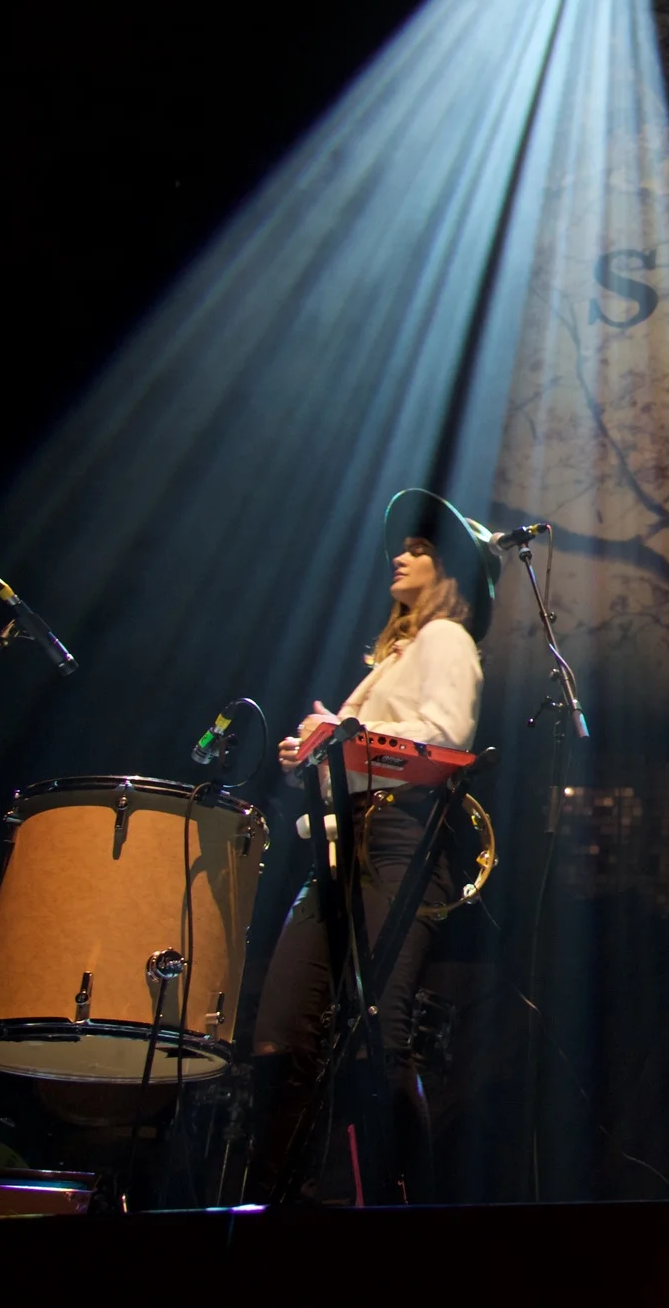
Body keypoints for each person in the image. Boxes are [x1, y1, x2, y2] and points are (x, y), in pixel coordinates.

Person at [251, 488, 498, 1201]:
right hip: (341, 843)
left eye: (420, 549)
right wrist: (324, 745)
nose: (402, 554)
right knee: (280, 1033)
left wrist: (346, 742)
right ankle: (282, 1193)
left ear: (447, 568)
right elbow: (373, 748)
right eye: (404, 545)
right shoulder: (392, 657)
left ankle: (389, 1206)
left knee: (375, 1035)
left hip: (398, 838)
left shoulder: (447, 640)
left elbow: (444, 741)